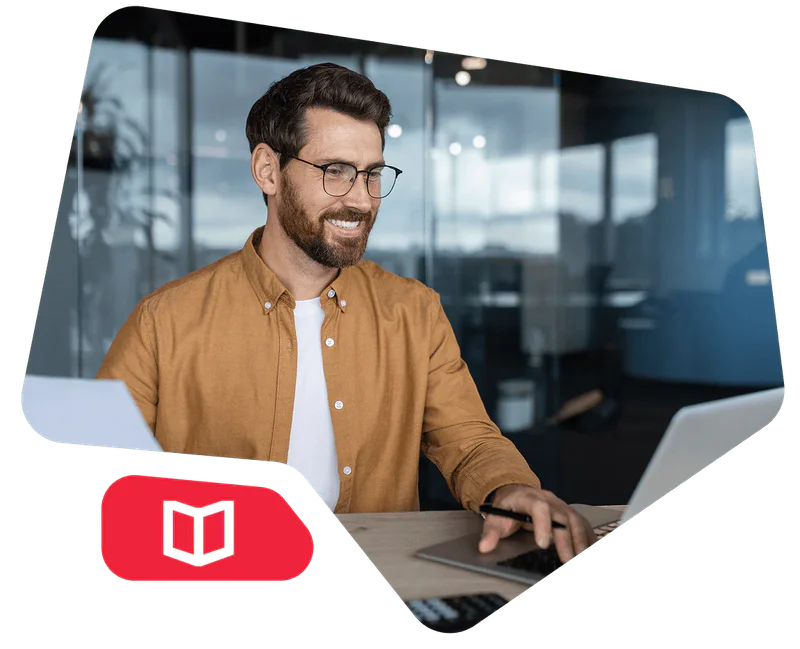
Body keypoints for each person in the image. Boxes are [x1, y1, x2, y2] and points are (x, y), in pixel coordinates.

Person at [97, 62, 596, 564]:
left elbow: (467, 440)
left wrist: (509, 488)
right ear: (268, 170)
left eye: (373, 174)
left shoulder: (413, 312)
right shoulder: (165, 320)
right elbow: (106, 474)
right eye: (335, 171)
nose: (361, 199)